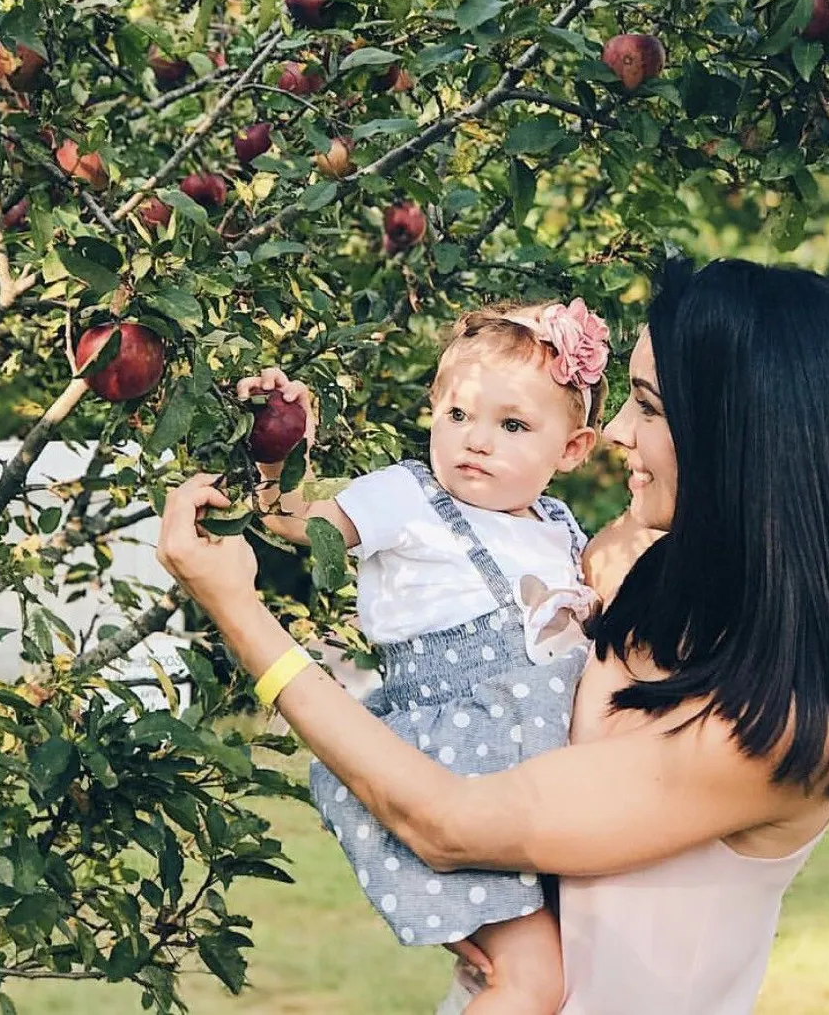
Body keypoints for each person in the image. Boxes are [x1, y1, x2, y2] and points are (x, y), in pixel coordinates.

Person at [156, 258, 829, 1015]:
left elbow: (448, 822)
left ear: (744, 436)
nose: (617, 431)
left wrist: (239, 612)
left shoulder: (782, 724)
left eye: (648, 407)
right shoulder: (649, 580)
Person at [232, 297, 613, 1015]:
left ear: (571, 450)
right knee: (532, 981)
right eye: (458, 414)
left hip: (545, 791)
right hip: (454, 773)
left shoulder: (561, 529)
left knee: (560, 970)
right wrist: (277, 451)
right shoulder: (407, 497)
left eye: (512, 425)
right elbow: (297, 521)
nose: (476, 440)